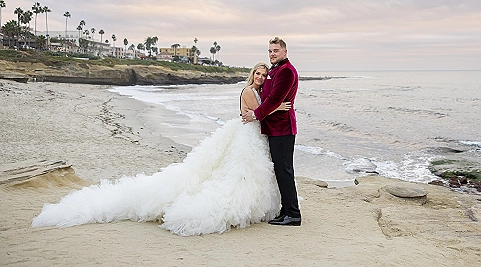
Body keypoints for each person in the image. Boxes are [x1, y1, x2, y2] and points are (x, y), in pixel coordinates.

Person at [32, 63, 289, 236]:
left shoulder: (259, 91)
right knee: (237, 170)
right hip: (247, 134)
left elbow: (260, 110)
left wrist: (271, 106)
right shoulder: (248, 91)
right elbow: (255, 113)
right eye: (258, 73)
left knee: (248, 171)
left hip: (255, 134)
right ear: (252, 75)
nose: (261, 77)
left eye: (264, 75)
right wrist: (279, 107)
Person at [241, 37, 301, 226]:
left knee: (284, 170)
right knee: (280, 171)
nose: (272, 54)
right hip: (274, 128)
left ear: (285, 52)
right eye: (270, 51)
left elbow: (274, 98)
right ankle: (286, 210)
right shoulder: (276, 70)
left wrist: (256, 114)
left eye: (276, 50)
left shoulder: (286, 71)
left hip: (283, 128)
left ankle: (293, 213)